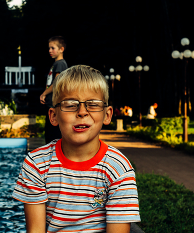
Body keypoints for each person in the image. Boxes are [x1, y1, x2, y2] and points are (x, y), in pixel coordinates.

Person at [13, 65, 140, 232]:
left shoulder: (118, 168)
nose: (82, 112)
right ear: (53, 116)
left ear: (107, 115)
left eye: (93, 104)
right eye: (70, 104)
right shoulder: (37, 164)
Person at [40, 36, 68, 144]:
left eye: (52, 48)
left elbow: (57, 82)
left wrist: (44, 94)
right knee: (50, 136)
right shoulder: (56, 64)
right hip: (52, 104)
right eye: (49, 48)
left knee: (52, 137)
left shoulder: (60, 63)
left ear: (61, 49)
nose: (50, 51)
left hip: (54, 105)